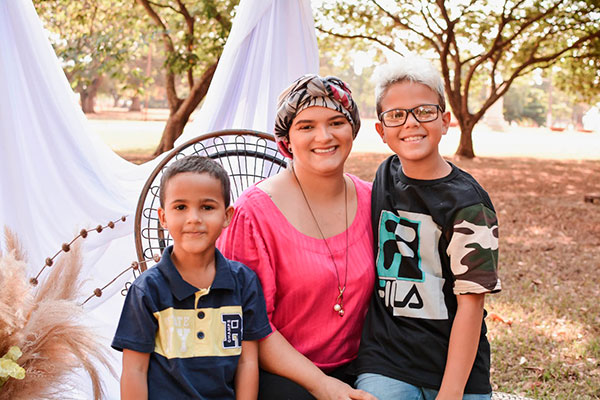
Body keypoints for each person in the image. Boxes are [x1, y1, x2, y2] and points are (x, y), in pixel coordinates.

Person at [218, 75, 376, 400]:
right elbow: (248, 322)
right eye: (306, 126)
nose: (324, 136)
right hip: (274, 372)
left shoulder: (374, 200)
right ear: (286, 139)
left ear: (353, 129)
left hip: (362, 365)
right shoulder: (254, 214)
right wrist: (322, 385)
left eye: (336, 122)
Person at [352, 57, 502, 400]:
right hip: (387, 361)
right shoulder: (384, 175)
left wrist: (449, 393)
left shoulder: (469, 204)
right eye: (396, 115)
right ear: (382, 130)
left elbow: (471, 305)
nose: (410, 124)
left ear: (445, 121)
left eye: (424, 111)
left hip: (456, 366)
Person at [112, 156, 272, 400]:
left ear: (227, 215)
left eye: (207, 207)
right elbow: (135, 370)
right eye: (180, 207)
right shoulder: (147, 291)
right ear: (163, 217)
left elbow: (246, 363)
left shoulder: (244, 283)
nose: (194, 218)